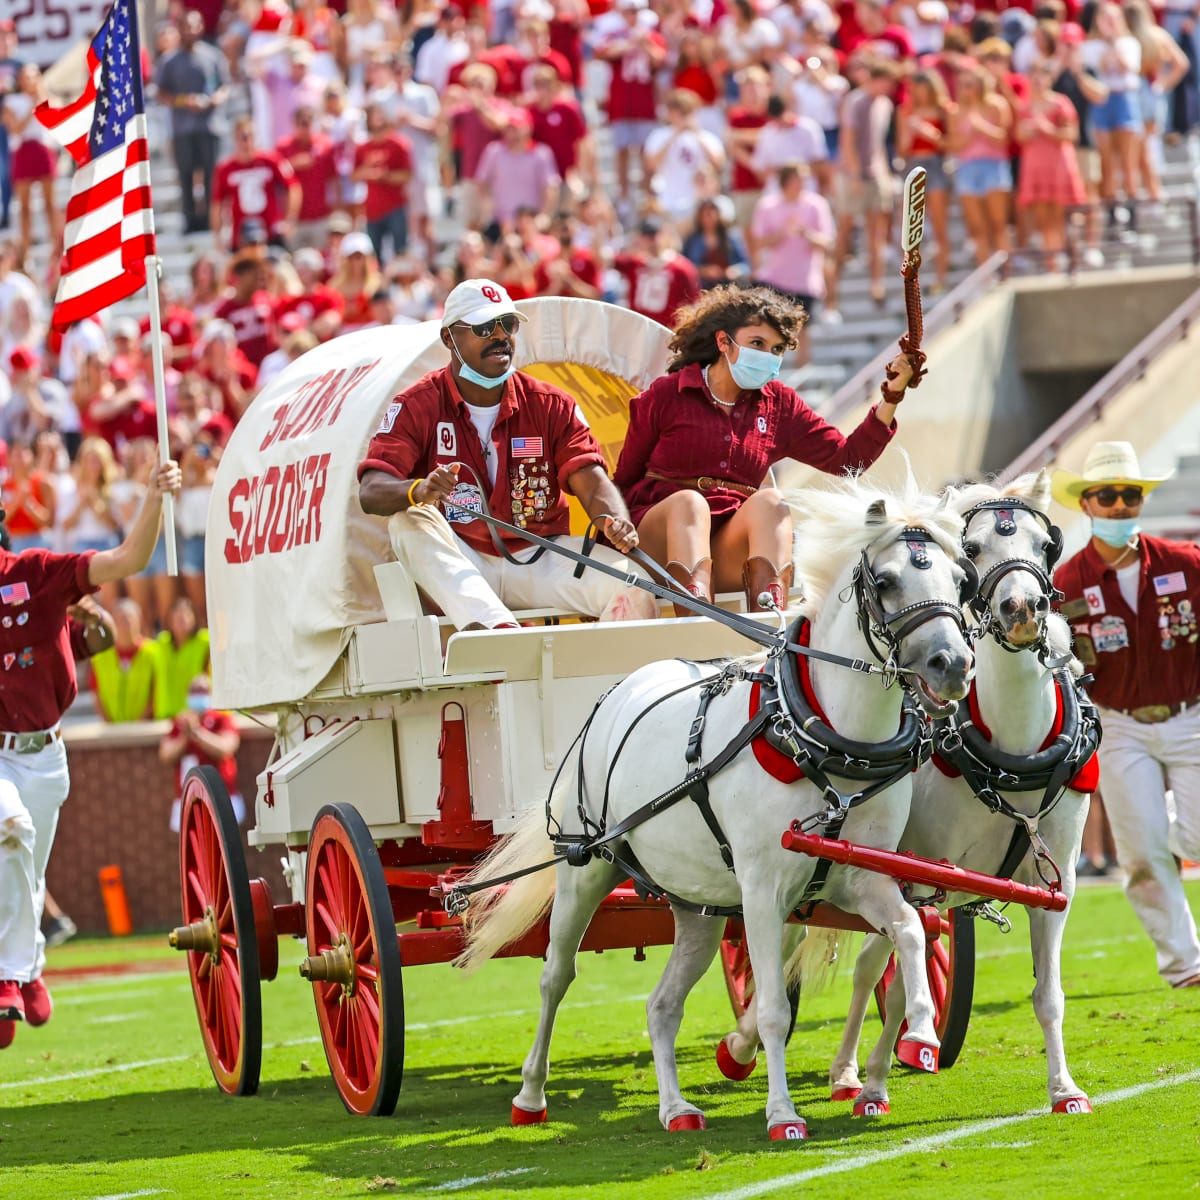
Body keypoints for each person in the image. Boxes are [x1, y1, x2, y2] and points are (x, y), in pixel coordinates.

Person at [0, 459, 182, 1048]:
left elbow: (127, 561)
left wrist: (153, 496)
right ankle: (8, 977)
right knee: (10, 831)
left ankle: (28, 972)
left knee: (29, 865)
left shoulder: (39, 572)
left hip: (46, 754)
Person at [358, 278, 655, 631]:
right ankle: (497, 632)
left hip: (540, 554)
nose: (500, 336)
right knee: (408, 520)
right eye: (484, 327)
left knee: (634, 587)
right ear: (449, 339)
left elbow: (591, 480)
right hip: (461, 558)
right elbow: (371, 489)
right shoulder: (416, 404)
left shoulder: (551, 403)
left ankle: (604, 681)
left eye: (508, 324)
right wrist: (417, 490)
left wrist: (614, 520)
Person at [612, 285, 918, 613]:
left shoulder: (780, 403)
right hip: (659, 543)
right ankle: (696, 633)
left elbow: (847, 460)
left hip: (727, 545)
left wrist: (892, 395)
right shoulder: (666, 394)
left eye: (776, 349)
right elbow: (625, 481)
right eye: (757, 343)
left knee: (772, 501)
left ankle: (771, 631)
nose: (768, 357)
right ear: (723, 343)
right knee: (690, 504)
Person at [1052, 441, 1200, 990]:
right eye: (1107, 496)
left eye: (1129, 495)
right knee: (1139, 857)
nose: (1119, 505)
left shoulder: (1187, 563)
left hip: (1191, 716)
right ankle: (1184, 964)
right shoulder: (1065, 584)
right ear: (1087, 504)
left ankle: (1160, 814)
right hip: (1117, 724)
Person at [155, 10, 230, 236]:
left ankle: (209, 219)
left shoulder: (213, 56)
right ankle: (190, 219)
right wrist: (183, 101)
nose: (190, 31)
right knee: (186, 174)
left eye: (193, 26)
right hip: (183, 128)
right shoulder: (169, 60)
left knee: (210, 175)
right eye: (185, 26)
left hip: (209, 125)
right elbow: (160, 93)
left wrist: (214, 99)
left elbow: (224, 86)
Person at [160, 679, 242, 833]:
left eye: (202, 691)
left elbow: (226, 747)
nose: (198, 696)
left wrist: (198, 733)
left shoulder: (221, 719)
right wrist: (185, 737)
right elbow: (166, 754)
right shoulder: (180, 722)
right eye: (194, 692)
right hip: (188, 797)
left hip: (220, 793)